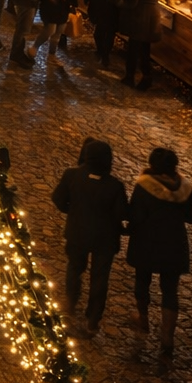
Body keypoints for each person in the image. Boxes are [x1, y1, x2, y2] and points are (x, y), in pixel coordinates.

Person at [125, 147, 192, 372]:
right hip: (173, 245)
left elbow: (135, 215)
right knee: (170, 290)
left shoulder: (144, 186)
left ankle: (143, 317)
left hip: (147, 242)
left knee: (142, 280)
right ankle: (167, 337)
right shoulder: (184, 188)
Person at [50, 138, 127, 336]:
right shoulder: (115, 186)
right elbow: (121, 214)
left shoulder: (72, 176)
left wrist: (73, 211)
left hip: (78, 233)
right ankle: (93, 320)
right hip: (105, 239)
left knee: (74, 268)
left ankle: (69, 306)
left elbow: (58, 199)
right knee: (100, 278)